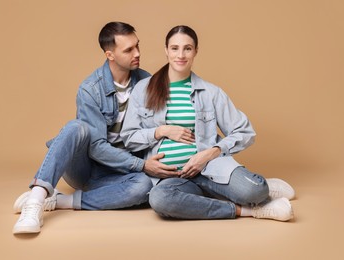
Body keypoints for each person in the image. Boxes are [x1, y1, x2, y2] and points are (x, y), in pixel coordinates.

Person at [13, 22, 177, 234]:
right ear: (110, 54)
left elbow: (157, 126)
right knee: (76, 127)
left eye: (137, 46)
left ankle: (63, 201)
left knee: (145, 187)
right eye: (128, 50)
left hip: (120, 172)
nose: (137, 53)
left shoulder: (146, 82)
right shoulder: (90, 89)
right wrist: (142, 164)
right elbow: (97, 147)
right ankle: (36, 199)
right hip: (86, 169)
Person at [121, 25, 295, 221]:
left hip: (210, 169)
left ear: (195, 51)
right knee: (160, 200)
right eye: (175, 48)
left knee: (255, 192)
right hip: (172, 179)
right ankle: (249, 210)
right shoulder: (144, 89)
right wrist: (161, 131)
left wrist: (210, 153)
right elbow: (129, 137)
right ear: (166, 50)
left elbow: (245, 132)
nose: (181, 54)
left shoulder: (211, 93)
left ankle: (260, 187)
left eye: (187, 48)